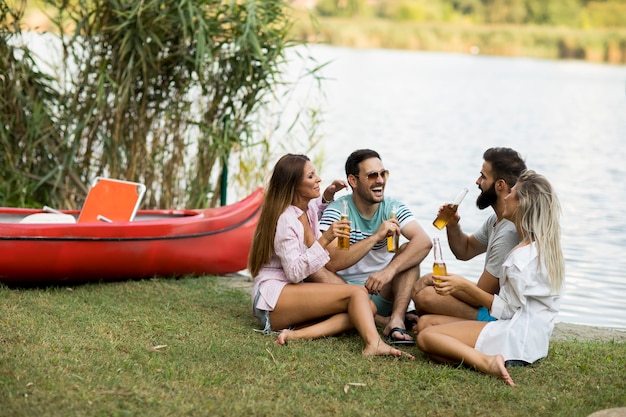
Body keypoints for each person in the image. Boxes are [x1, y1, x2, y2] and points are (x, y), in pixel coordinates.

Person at [248, 153, 414, 359]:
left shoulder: (305, 209)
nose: (318, 178)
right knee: (356, 295)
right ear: (294, 185)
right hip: (274, 297)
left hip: (293, 293)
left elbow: (316, 208)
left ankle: (297, 335)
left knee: (366, 307)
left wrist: (327, 196)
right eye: (311, 176)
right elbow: (293, 273)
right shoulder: (286, 220)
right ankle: (374, 343)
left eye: (315, 173)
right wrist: (325, 239)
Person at [414, 170, 565, 386]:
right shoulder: (537, 247)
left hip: (515, 337)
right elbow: (466, 250)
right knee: (426, 323)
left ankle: (487, 362)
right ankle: (472, 355)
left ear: (522, 204)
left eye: (512, 193)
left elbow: (506, 311)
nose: (505, 197)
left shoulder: (521, 259)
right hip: (532, 337)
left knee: (426, 337)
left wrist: (463, 284)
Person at [319, 149, 432, 345]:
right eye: (372, 175)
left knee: (410, 252)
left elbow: (424, 242)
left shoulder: (393, 208)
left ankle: (396, 318)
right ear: (353, 181)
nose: (380, 180)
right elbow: (333, 262)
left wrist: (389, 271)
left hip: (381, 290)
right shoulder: (337, 210)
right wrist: (375, 237)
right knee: (317, 268)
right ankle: (383, 321)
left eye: (383, 174)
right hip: (345, 294)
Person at [413, 147, 527, 321]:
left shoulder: (509, 233)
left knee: (426, 296)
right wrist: (453, 225)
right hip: (487, 305)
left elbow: (481, 295)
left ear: (500, 185)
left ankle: (453, 322)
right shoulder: (495, 221)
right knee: (427, 295)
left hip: (497, 315)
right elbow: (465, 251)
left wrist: (434, 279)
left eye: (483, 177)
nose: (477, 181)